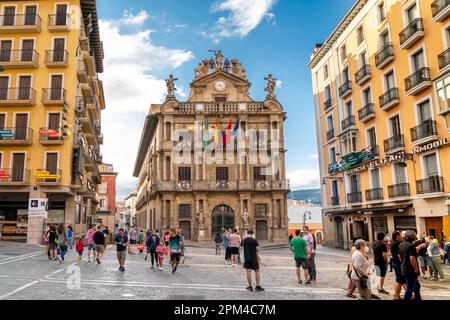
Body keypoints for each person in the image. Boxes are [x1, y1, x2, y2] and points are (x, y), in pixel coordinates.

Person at [399, 230, 421, 301]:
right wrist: (416, 269)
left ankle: (418, 298)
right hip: (410, 269)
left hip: (404, 267)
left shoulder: (401, 244)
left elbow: (399, 256)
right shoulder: (411, 245)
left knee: (417, 286)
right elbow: (412, 258)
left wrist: (403, 262)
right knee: (410, 289)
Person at [390, 231, 406, 300]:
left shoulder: (393, 243)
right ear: (397, 236)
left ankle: (397, 295)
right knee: (400, 280)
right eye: (400, 235)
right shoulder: (398, 243)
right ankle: (396, 296)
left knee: (401, 280)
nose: (402, 236)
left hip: (395, 262)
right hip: (398, 263)